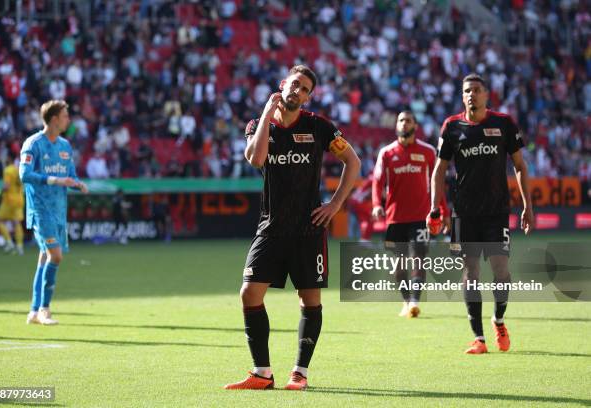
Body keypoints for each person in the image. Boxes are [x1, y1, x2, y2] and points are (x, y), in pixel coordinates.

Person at [224, 65, 361, 390]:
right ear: (283, 84)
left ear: (309, 97)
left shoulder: (318, 126)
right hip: (270, 227)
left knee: (309, 300)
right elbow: (256, 160)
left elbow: (353, 162)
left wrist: (335, 204)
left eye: (305, 89)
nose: (298, 92)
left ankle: (300, 372)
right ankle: (262, 373)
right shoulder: (258, 125)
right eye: (295, 85)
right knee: (249, 293)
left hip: (307, 230)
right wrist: (267, 112)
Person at [430, 74, 534, 354]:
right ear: (462, 96)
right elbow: (439, 170)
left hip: (497, 212)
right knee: (470, 271)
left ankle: (498, 320)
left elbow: (520, 166)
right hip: (464, 213)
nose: (471, 95)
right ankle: (479, 338)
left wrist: (528, 206)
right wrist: (435, 207)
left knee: (501, 272)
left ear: (487, 94)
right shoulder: (451, 127)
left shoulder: (503, 123)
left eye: (477, 90)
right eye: (467, 91)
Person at [372, 110, 450, 318]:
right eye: (401, 120)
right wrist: (375, 204)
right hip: (395, 217)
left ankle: (414, 301)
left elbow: (437, 183)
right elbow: (377, 181)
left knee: (419, 259)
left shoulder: (428, 151)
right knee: (399, 267)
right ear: (396, 125)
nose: (404, 124)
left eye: (408, 121)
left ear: (415, 125)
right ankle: (406, 301)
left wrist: (443, 211)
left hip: (421, 217)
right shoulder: (386, 153)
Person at [19, 100, 88, 325]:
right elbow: (25, 174)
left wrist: (77, 184)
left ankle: (33, 311)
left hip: (59, 210)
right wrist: (54, 179)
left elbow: (70, 174)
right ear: (54, 118)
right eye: (65, 115)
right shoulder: (33, 144)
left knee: (44, 257)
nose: (69, 119)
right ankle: (44, 310)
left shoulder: (65, 146)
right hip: (40, 209)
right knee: (56, 256)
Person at [0, 151, 25, 255]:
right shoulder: (19, 170)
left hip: (9, 200)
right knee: (16, 222)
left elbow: (6, 186)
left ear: (9, 158)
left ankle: (9, 242)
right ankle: (20, 247)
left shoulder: (8, 170)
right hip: (19, 199)